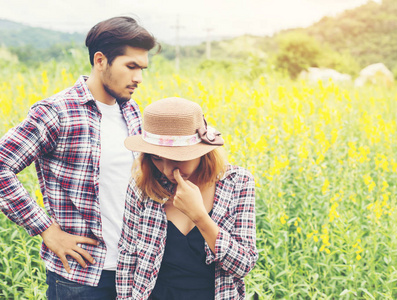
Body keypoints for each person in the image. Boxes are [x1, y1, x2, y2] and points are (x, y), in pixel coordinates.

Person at [0, 16, 158, 299]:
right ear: (100, 61)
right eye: (131, 66)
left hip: (133, 275)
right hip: (81, 278)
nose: (138, 78)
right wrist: (45, 228)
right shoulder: (57, 112)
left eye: (142, 68)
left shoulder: (133, 113)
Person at [116, 97, 258, 299]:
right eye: (157, 158)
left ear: (202, 151)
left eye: (176, 158)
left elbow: (243, 265)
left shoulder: (237, 182)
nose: (166, 170)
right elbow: (127, 257)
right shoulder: (142, 186)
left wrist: (200, 217)